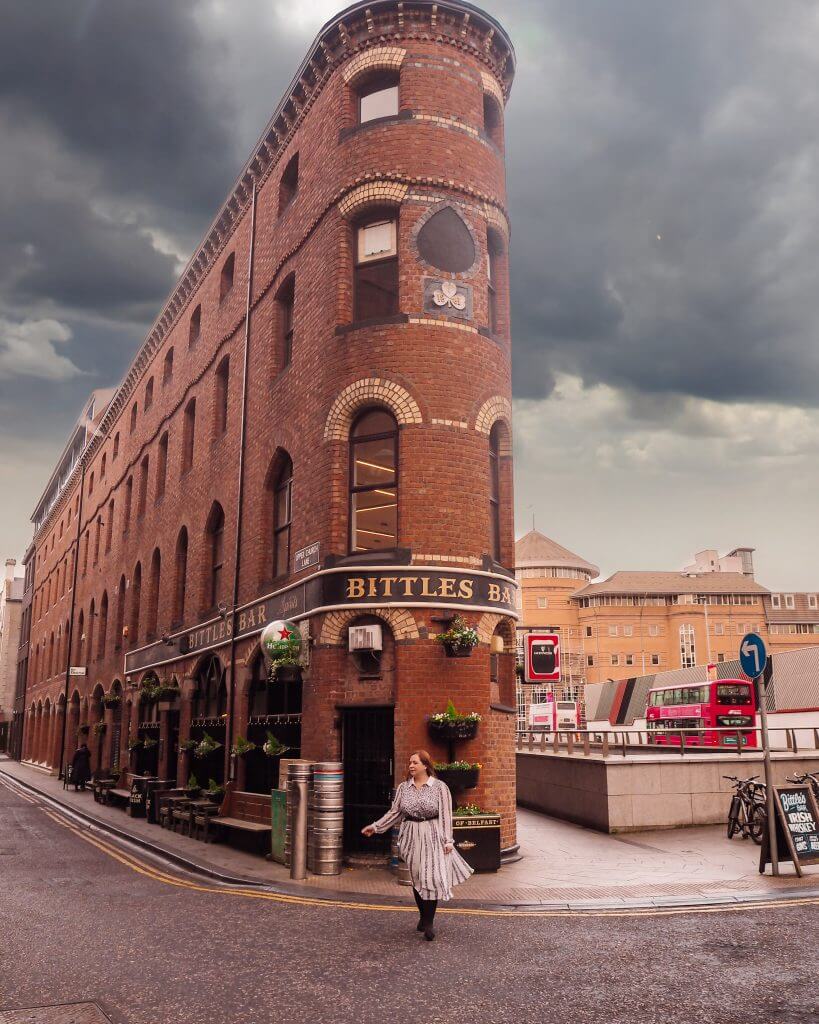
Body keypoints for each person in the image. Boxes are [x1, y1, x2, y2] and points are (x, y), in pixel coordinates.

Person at [362, 749, 473, 940]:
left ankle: (429, 923)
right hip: (411, 834)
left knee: (432, 876)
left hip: (433, 833)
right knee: (418, 877)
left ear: (425, 765)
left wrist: (448, 840)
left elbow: (447, 815)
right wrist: (376, 827)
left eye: (415, 762)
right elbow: (395, 813)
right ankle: (423, 916)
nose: (411, 766)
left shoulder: (440, 787)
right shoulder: (404, 788)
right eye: (410, 763)